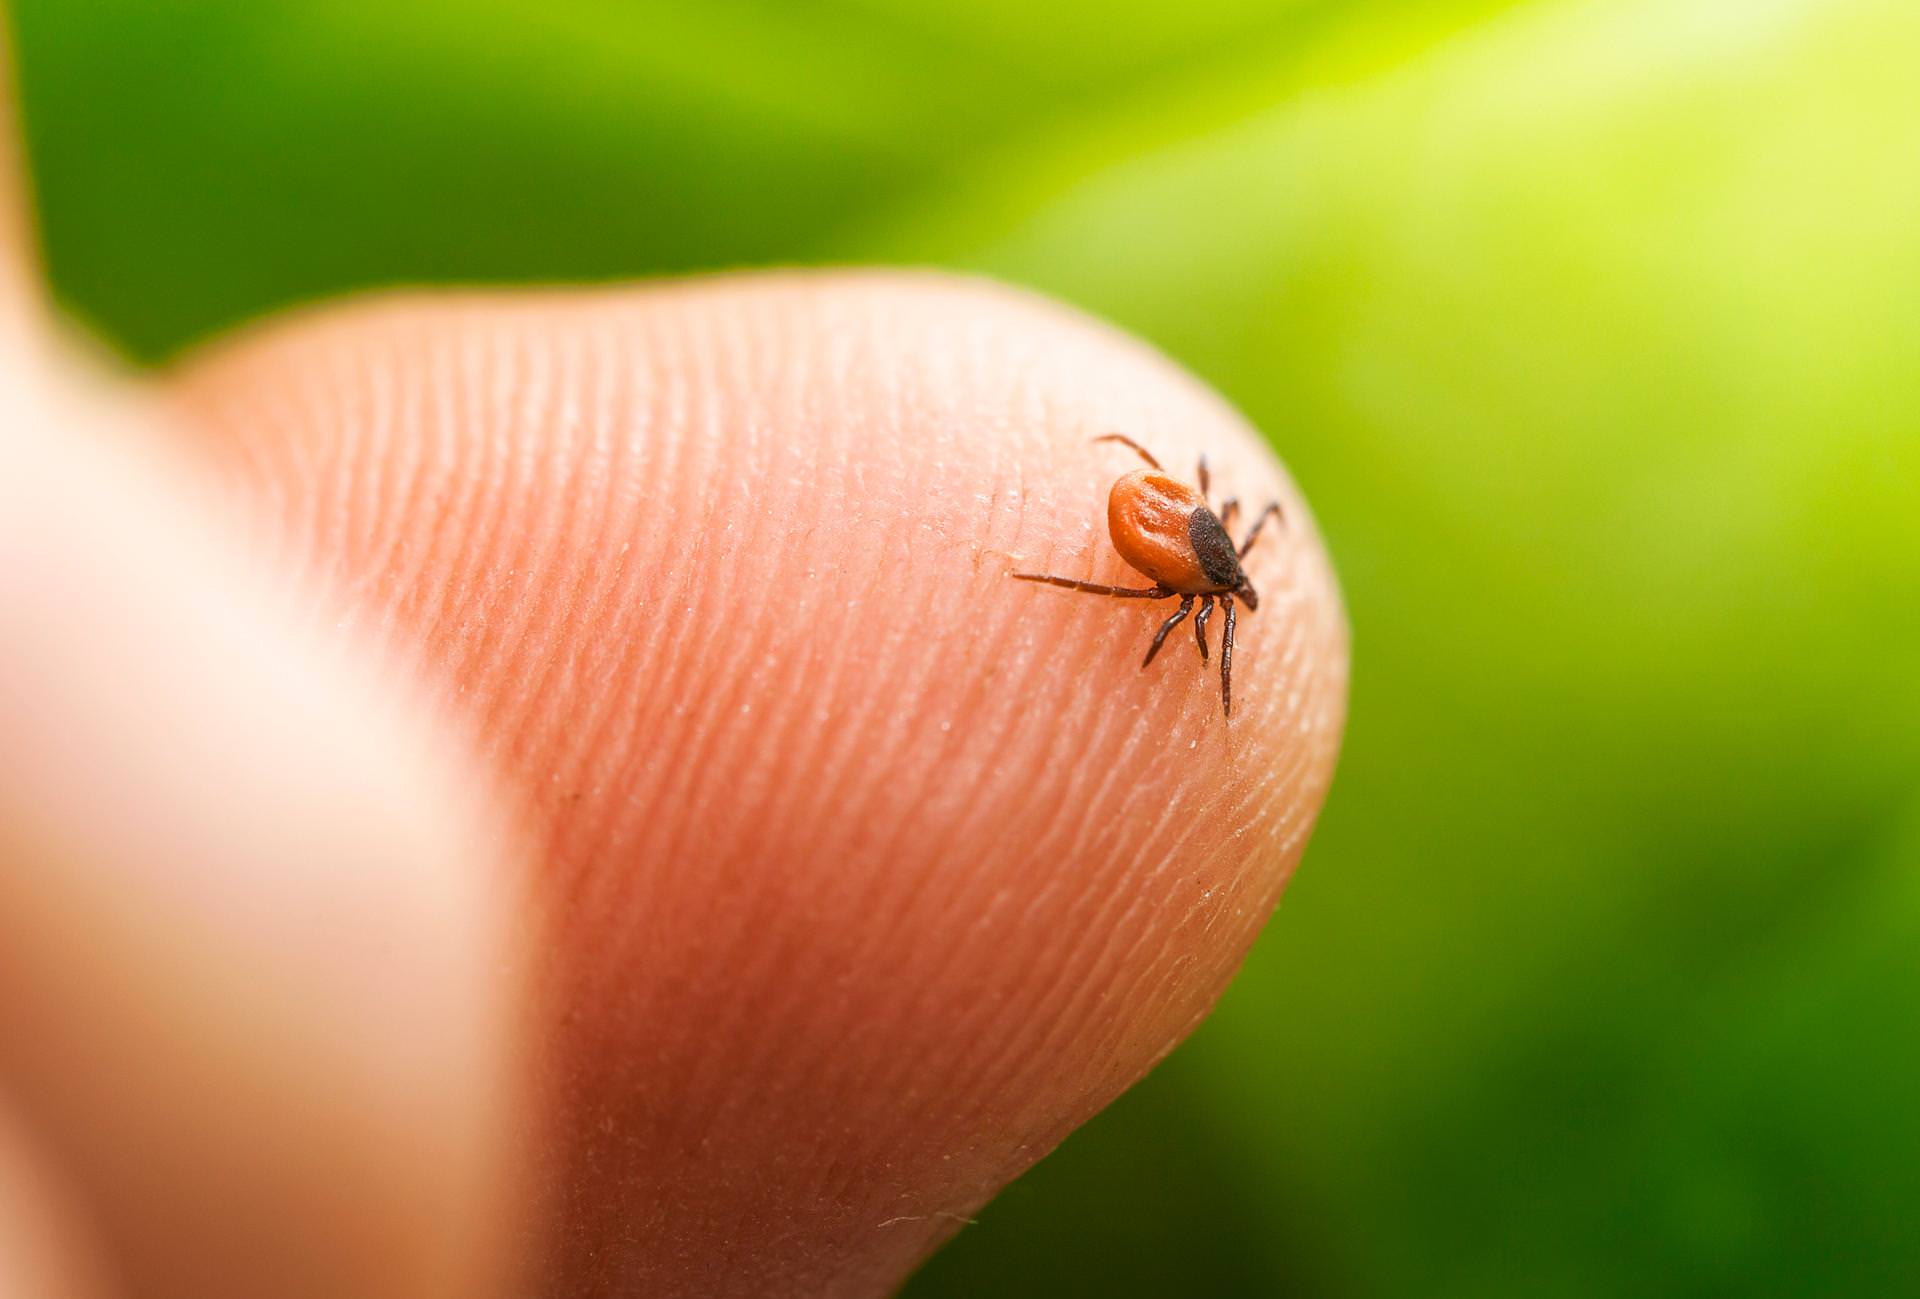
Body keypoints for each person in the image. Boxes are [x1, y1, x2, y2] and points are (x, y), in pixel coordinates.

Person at [0, 42, 1348, 1299]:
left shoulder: (1192, 530)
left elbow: (1150, 493)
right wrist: (1140, 533)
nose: (1222, 588)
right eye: (1223, 582)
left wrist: (1141, 498)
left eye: (1220, 586)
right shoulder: (1195, 574)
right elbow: (1150, 515)